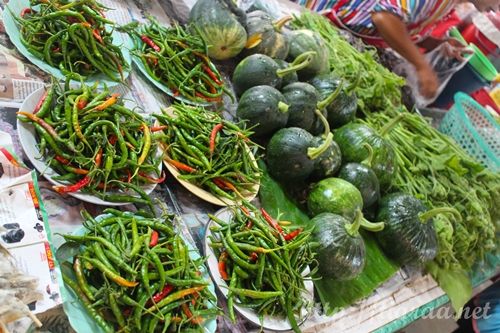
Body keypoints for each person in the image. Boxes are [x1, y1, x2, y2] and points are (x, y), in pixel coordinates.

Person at [293, 1, 500, 99]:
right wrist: (421, 66)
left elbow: (407, 25)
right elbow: (383, 17)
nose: (497, 10)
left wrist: (439, 43)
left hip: (343, 42)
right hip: (316, 25)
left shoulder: (450, 5)